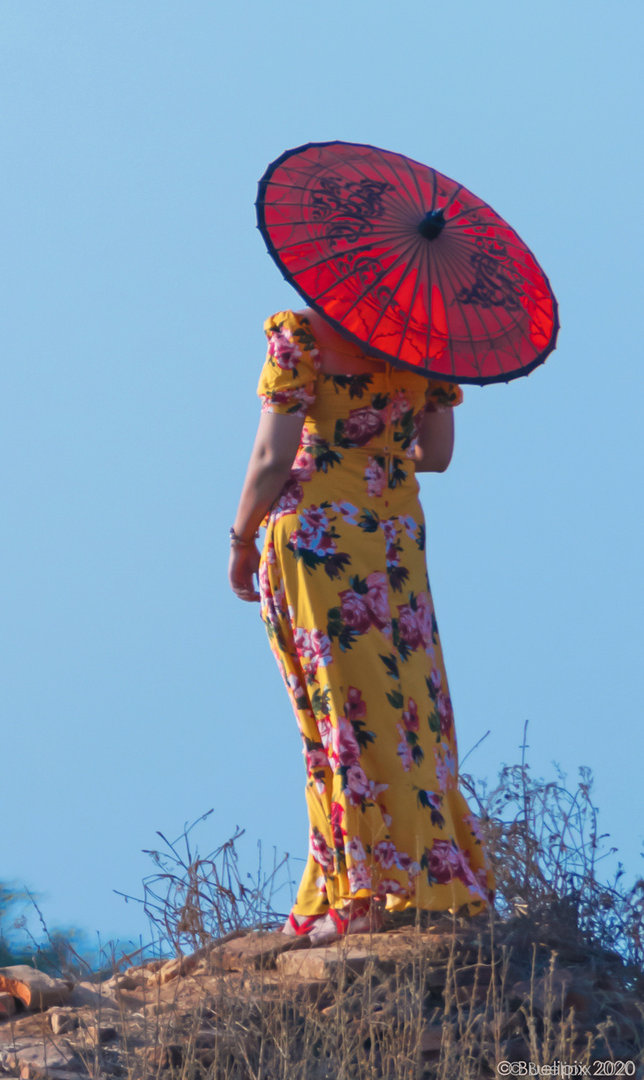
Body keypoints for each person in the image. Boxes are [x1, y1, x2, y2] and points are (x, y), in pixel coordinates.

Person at [229, 307, 496, 940]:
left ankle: (360, 893)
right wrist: (382, 433)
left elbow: (271, 455)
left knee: (336, 709)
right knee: (408, 708)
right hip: (395, 537)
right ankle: (423, 875)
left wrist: (240, 538)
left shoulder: (298, 333)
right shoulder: (429, 337)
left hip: (320, 532)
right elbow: (437, 454)